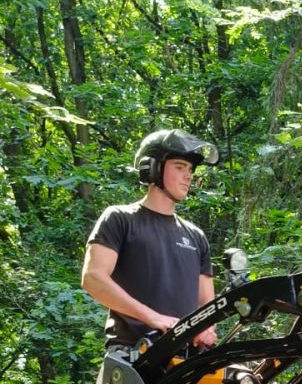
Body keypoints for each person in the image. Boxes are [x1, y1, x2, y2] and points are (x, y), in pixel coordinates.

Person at [82, 129, 220, 349]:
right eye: (180, 167)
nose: (188, 176)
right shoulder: (120, 218)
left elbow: (207, 304)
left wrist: (206, 328)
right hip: (132, 353)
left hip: (187, 359)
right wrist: (153, 317)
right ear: (152, 168)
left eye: (190, 169)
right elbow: (93, 278)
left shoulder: (196, 236)